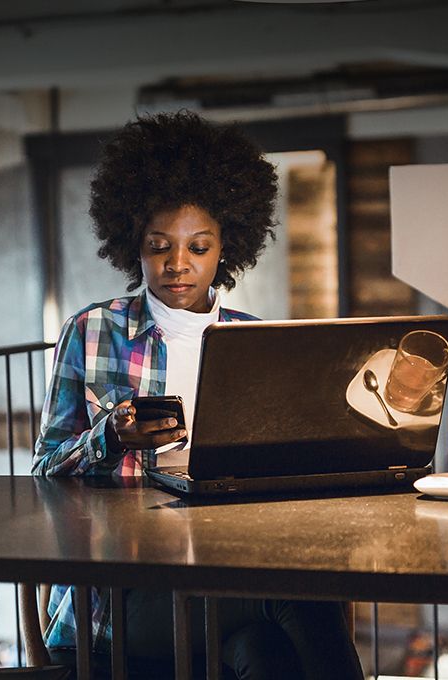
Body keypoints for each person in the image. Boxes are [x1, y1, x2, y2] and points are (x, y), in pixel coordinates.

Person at [31, 111, 363, 679]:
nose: (177, 264)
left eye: (198, 247)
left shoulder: (254, 340)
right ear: (133, 242)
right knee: (300, 598)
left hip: (226, 571)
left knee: (266, 653)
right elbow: (44, 472)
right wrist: (110, 436)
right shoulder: (90, 332)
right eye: (159, 245)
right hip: (117, 598)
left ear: (226, 247)